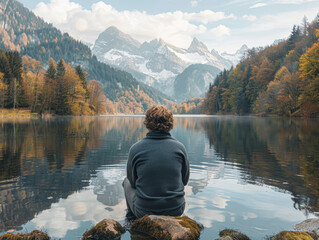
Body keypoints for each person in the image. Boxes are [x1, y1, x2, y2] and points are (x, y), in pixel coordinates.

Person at [122, 105, 190, 219]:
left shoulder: (135, 149)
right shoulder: (180, 148)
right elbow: (184, 180)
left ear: (147, 123)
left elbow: (133, 182)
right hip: (176, 210)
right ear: (170, 124)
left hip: (144, 212)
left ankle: (131, 219)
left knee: (126, 182)